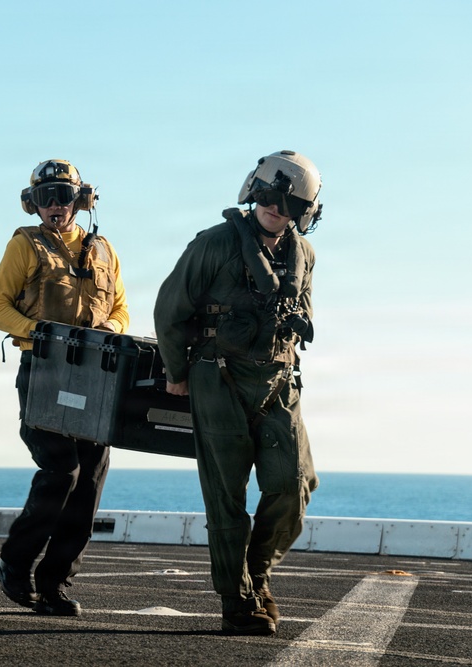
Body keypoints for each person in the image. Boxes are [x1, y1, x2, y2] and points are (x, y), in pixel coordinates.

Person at [153, 150, 322, 635]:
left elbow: (301, 315)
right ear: (254, 191)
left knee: (295, 484)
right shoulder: (215, 243)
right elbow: (170, 309)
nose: (276, 209)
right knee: (226, 497)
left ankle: (258, 572)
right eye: (269, 197)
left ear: (303, 212)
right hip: (218, 378)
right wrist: (176, 370)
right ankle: (237, 600)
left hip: (278, 382)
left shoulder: (304, 256)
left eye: (289, 204)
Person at [0, 158, 129, 616]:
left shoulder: (104, 250)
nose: (55, 206)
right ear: (33, 204)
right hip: (44, 373)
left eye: (63, 196)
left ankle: (54, 583)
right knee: (60, 469)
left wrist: (111, 323)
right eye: (45, 198)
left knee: (88, 480)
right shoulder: (24, 246)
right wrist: (35, 331)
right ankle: (14, 563)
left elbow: (123, 307)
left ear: (79, 199)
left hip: (95, 376)